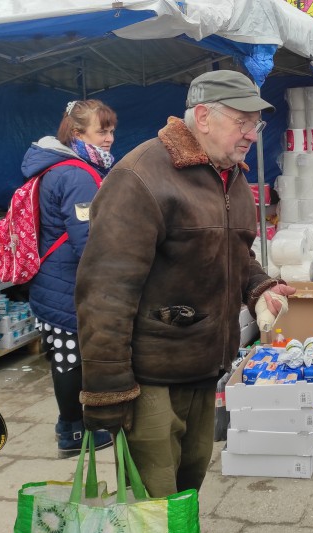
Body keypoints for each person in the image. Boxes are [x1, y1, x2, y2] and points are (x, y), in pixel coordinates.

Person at [76, 70, 295, 497]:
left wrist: (259, 287)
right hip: (152, 376)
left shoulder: (227, 173)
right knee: (153, 504)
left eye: (256, 124)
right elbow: (105, 290)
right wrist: (107, 388)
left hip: (204, 367)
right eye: (242, 121)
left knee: (186, 489)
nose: (252, 134)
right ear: (203, 117)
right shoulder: (140, 176)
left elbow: (236, 252)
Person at [22, 99, 118, 457]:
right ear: (77, 133)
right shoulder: (77, 174)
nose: (109, 138)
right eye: (101, 130)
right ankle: (75, 432)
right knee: (69, 359)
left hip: (54, 278)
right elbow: (88, 240)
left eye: (111, 130)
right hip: (66, 282)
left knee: (67, 356)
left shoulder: (61, 166)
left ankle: (70, 425)